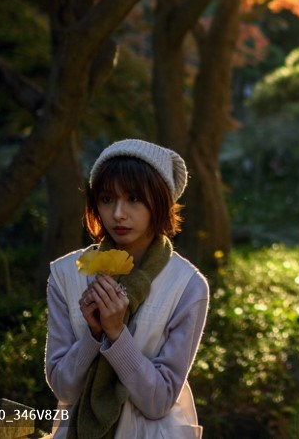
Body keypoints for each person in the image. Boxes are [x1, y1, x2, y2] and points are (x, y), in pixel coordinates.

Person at [45, 139, 209, 438]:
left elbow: (158, 402)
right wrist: (93, 335)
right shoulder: (66, 274)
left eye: (134, 198)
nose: (118, 213)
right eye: (107, 199)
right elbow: (63, 387)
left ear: (160, 202)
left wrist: (117, 335)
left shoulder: (187, 285)